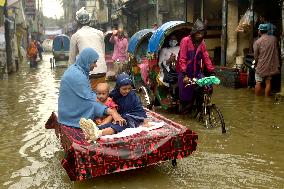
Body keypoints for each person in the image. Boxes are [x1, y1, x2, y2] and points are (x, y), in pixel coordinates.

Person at [58, 48, 125, 129]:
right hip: (70, 117)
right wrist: (112, 112)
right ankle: (99, 128)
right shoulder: (78, 76)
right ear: (87, 61)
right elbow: (89, 102)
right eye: (94, 62)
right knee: (110, 113)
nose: (95, 65)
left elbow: (87, 94)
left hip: (66, 111)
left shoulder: (76, 69)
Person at [79, 73, 149, 141]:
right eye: (124, 89)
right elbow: (106, 99)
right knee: (112, 122)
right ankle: (95, 129)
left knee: (121, 124)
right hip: (119, 115)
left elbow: (140, 109)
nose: (127, 91)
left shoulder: (133, 96)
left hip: (131, 117)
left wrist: (146, 123)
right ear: (118, 87)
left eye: (129, 88)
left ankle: (99, 133)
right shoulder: (115, 94)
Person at [177, 19, 215, 110]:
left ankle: (201, 107)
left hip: (197, 72)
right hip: (185, 72)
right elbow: (182, 59)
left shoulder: (202, 43)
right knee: (185, 98)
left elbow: (206, 57)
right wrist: (185, 74)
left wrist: (211, 71)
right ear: (194, 32)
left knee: (207, 87)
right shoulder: (185, 41)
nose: (199, 35)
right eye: (198, 33)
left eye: (201, 33)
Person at [68, 7, 107, 90]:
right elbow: (102, 53)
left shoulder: (75, 36)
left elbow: (72, 60)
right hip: (102, 70)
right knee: (102, 97)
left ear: (77, 22)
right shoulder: (99, 33)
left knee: (88, 98)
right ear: (89, 21)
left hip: (87, 73)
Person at [253, 24, 280, 97]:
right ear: (267, 31)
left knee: (258, 82)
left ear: (259, 31)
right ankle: (266, 100)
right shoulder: (274, 39)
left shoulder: (257, 42)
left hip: (261, 66)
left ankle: (257, 99)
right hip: (270, 66)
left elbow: (256, 57)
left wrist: (255, 63)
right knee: (268, 82)